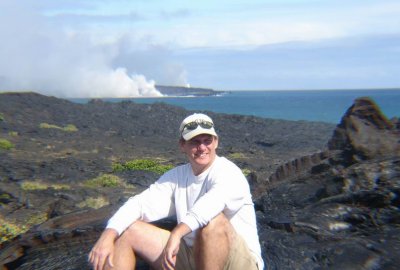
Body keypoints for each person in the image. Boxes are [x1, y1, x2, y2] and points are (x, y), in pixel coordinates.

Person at [88, 113, 264, 270]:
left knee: (213, 223)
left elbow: (210, 205)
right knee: (127, 230)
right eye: (195, 141)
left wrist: (177, 233)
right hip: (193, 255)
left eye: (207, 140)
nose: (202, 147)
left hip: (237, 262)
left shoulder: (229, 172)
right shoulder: (176, 177)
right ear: (182, 145)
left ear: (216, 142)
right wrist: (108, 235)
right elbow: (139, 204)